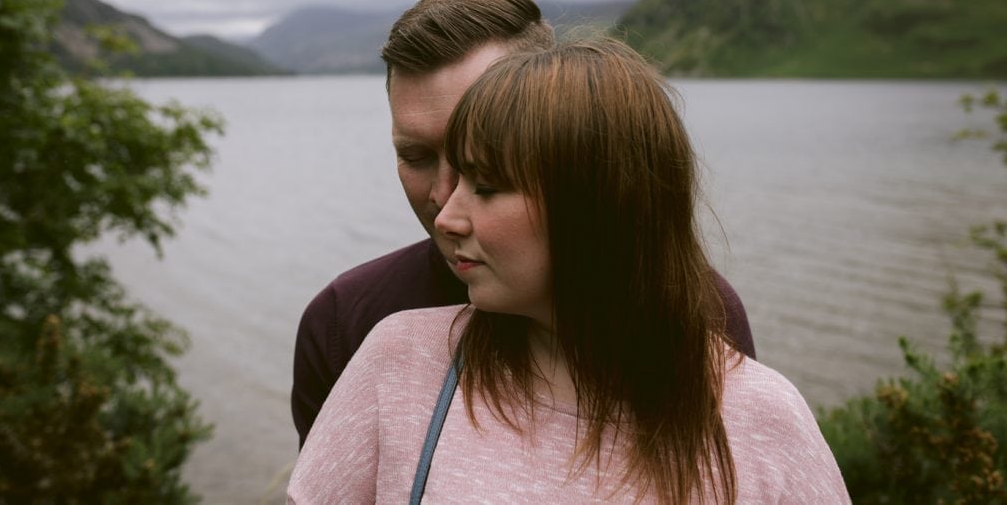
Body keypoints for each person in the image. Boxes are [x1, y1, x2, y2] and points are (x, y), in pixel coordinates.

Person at [287, 40, 847, 502]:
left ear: (596, 204)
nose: (446, 213)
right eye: (421, 160)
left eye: (485, 186)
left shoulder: (760, 418)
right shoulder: (400, 361)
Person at [290, 0, 756, 448]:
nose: (443, 196)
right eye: (416, 156)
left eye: (483, 168)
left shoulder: (699, 311)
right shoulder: (344, 325)